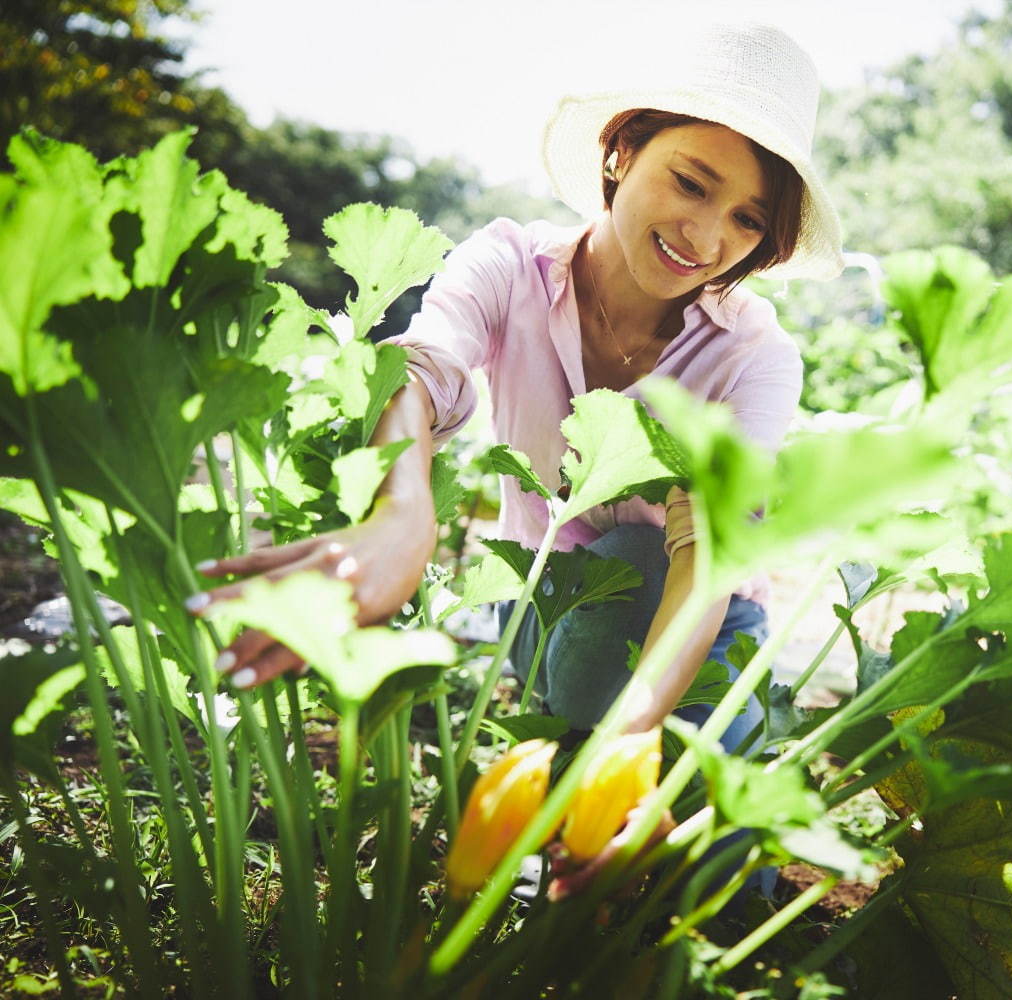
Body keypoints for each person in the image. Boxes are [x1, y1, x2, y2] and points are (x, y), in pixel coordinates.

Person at [191, 21, 843, 754]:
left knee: (701, 830)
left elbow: (712, 557)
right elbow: (420, 369)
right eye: (691, 183)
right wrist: (402, 515)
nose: (706, 236)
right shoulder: (509, 265)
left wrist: (631, 738)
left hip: (699, 625)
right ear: (622, 149)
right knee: (575, 790)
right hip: (543, 597)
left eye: (748, 220)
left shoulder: (754, 356)